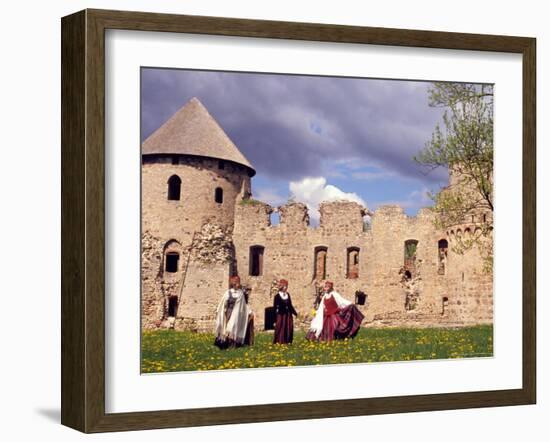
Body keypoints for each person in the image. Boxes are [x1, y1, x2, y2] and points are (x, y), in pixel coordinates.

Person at [214, 275, 254, 349]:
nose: (236, 283)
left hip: (237, 314)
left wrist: (249, 312)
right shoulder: (228, 292)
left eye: (237, 282)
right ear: (232, 283)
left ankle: (232, 344)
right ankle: (224, 344)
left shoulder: (241, 293)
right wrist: (222, 312)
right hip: (228, 313)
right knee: (226, 328)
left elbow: (244, 305)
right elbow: (223, 303)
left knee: (232, 327)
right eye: (234, 282)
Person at [273, 279, 298, 344]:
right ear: (281, 287)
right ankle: (280, 341)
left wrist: (295, 313)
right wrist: (274, 320)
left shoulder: (288, 295)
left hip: (288, 315)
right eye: (285, 286)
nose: (286, 287)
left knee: (288, 328)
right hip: (281, 315)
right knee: (280, 328)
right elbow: (275, 308)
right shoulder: (277, 296)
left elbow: (290, 305)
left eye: (287, 286)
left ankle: (288, 341)